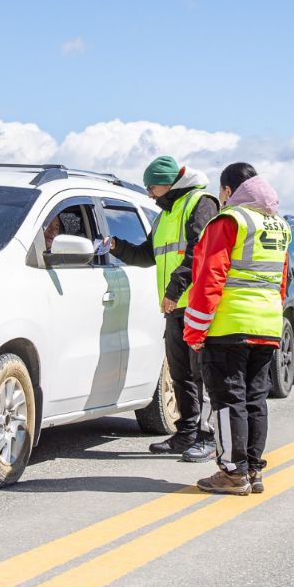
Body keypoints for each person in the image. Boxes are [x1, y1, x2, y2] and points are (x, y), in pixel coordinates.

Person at [183, 162, 291, 495]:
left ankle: (232, 473)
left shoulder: (229, 220)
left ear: (229, 191)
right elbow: (281, 281)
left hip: (230, 325)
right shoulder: (279, 225)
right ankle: (253, 469)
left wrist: (195, 330)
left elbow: (209, 277)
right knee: (255, 399)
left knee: (228, 400)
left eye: (221, 191)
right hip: (267, 323)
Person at [108, 155, 220, 462]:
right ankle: (186, 433)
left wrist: (174, 290)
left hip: (198, 305)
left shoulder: (201, 203)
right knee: (180, 373)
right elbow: (147, 254)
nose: (149, 194)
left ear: (169, 183)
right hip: (176, 309)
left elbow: (199, 252)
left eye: (152, 187)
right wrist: (117, 246)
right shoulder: (164, 215)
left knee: (202, 375)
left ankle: (208, 438)